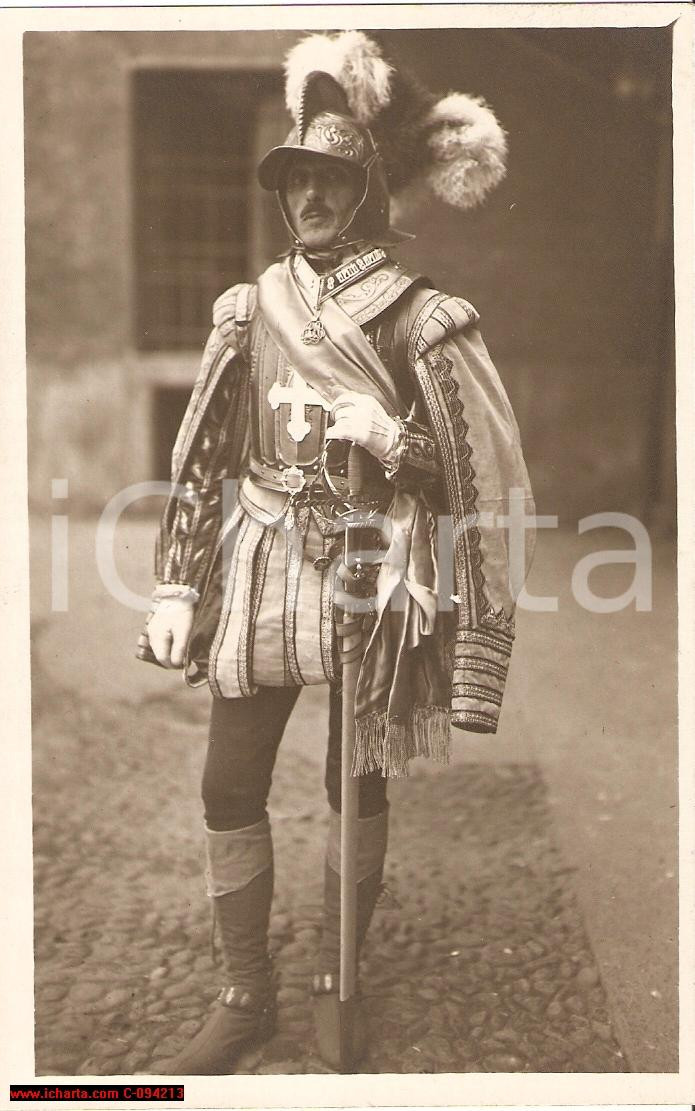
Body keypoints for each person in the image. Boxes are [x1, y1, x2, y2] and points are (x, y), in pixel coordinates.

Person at [138, 31, 535, 1074]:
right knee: (228, 780)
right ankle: (243, 990)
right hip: (263, 552)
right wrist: (179, 579)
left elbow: (475, 479)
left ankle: (333, 974)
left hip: (373, 570)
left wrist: (389, 438)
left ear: (366, 191)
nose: (308, 199)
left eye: (330, 180)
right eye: (296, 180)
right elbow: (208, 455)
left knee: (351, 786)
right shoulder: (249, 309)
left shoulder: (421, 318)